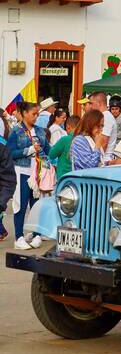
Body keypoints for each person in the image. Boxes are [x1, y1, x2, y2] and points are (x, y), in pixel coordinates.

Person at [5, 101, 51, 249]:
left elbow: (48, 149)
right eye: (33, 114)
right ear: (24, 114)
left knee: (37, 205)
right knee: (21, 204)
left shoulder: (40, 130)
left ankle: (37, 234)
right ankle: (18, 237)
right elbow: (10, 153)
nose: (36, 117)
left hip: (38, 172)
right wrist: (29, 150)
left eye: (37, 114)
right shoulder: (16, 131)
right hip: (22, 172)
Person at [87, 91, 117, 161]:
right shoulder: (104, 116)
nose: (90, 106)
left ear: (99, 103)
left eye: (91, 103)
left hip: (104, 159)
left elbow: (103, 141)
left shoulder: (106, 117)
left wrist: (95, 159)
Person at [49, 114, 80, 181]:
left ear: (68, 127)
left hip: (64, 177)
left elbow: (51, 154)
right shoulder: (83, 140)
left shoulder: (65, 139)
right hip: (78, 177)